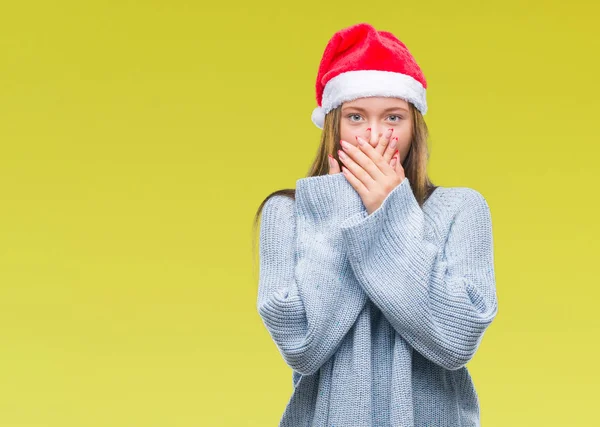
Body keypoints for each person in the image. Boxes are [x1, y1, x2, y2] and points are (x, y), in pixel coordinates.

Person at [253, 22, 499, 427]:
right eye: (355, 116)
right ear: (333, 124)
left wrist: (391, 211)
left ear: (413, 127)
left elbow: (457, 340)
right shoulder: (287, 214)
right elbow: (303, 346)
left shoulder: (461, 209)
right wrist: (341, 214)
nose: (373, 135)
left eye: (392, 118)